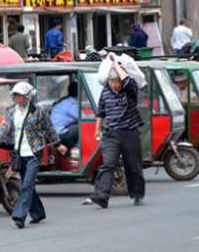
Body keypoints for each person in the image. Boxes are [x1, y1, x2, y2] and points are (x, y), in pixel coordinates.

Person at [0, 82, 66, 229]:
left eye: (19, 96)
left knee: (26, 185)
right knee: (28, 185)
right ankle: (38, 213)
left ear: (27, 97)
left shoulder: (38, 111)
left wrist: (58, 144)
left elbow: (49, 129)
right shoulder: (12, 112)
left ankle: (19, 215)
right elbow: (5, 128)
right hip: (18, 153)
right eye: (15, 95)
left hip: (34, 153)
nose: (16, 98)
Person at [88, 58, 145, 209]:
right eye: (112, 81)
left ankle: (137, 194)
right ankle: (102, 196)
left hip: (129, 132)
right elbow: (101, 112)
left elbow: (127, 81)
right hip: (111, 134)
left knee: (133, 165)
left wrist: (115, 65)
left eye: (117, 81)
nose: (115, 84)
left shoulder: (130, 91)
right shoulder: (105, 93)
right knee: (108, 164)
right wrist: (97, 129)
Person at [50, 82, 79, 151]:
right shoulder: (71, 103)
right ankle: (78, 150)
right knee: (79, 128)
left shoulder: (65, 101)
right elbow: (82, 117)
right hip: (59, 135)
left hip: (54, 133)